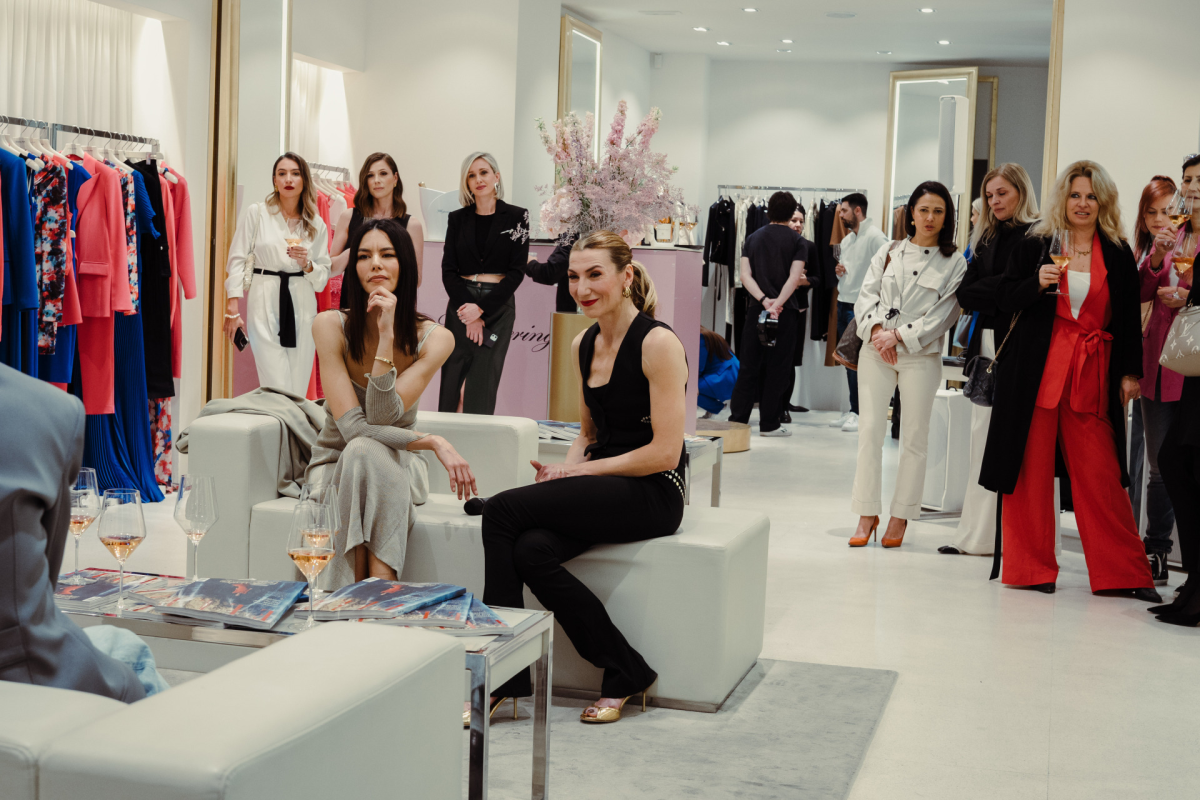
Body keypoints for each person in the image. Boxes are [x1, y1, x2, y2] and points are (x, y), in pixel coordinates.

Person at [480, 230, 688, 724]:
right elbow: (588, 434)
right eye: (574, 277)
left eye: (595, 274)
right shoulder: (582, 342)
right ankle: (626, 669)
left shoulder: (658, 343)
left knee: (502, 510)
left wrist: (575, 472)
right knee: (530, 550)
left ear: (626, 276)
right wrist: (566, 474)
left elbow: (665, 453)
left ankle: (500, 676)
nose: (582, 288)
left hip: (656, 491)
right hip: (603, 483)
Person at [979, 160, 1158, 600]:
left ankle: (1124, 574)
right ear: (1064, 198)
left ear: (1104, 202)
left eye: (1092, 196)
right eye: (1076, 195)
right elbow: (1001, 298)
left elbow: (1128, 321)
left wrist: (1130, 373)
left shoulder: (1116, 251)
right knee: (1029, 470)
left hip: (1091, 372)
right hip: (1035, 373)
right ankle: (1028, 568)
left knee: (1101, 475)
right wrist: (1034, 285)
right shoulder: (1035, 244)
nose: (1083, 203)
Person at [306, 218, 477, 590]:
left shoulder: (437, 338)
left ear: (406, 265)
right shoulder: (328, 326)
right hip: (335, 462)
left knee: (365, 452)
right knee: (360, 449)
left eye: (387, 254)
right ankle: (383, 587)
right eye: (363, 256)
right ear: (354, 269)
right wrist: (431, 441)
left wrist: (386, 335)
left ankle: (346, 593)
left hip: (400, 464)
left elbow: (382, 414)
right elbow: (353, 429)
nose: (375, 264)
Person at [0, 362, 145, 702]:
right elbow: (42, 592)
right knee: (133, 658)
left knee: (120, 640)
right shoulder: (42, 411)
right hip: (18, 673)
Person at [849, 181, 968, 548]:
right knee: (870, 431)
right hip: (876, 351)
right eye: (923, 210)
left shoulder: (955, 262)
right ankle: (866, 512)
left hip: (920, 355)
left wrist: (898, 336)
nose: (930, 217)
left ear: (947, 217)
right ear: (911, 214)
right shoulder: (888, 250)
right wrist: (878, 332)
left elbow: (945, 314)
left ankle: (901, 515)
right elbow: (865, 297)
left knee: (914, 438)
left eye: (938, 211)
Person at [939, 164, 1040, 556]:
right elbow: (966, 293)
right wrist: (1010, 289)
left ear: (1020, 191)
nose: (995, 202)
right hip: (988, 345)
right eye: (990, 195)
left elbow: (1030, 294)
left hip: (1023, 344)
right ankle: (978, 536)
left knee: (1022, 443)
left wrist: (1001, 289)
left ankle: (1016, 539)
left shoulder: (1038, 236)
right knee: (982, 437)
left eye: (1002, 193)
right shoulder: (986, 238)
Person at [224, 152, 332, 395]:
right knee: (275, 383)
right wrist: (233, 308)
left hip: (302, 300)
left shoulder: (316, 223)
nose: (288, 179)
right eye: (282, 174)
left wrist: (307, 264)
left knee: (298, 384)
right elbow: (237, 259)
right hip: (264, 293)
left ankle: (293, 422)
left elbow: (322, 278)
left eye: (295, 173)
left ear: (304, 179)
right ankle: (280, 418)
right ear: (274, 180)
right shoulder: (257, 213)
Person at [1135, 165, 1197, 585]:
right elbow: (1139, 291)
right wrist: (1157, 258)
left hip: (1194, 364)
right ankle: (1156, 549)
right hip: (1158, 361)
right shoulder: (1169, 235)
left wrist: (1187, 294)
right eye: (1188, 180)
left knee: (1188, 463)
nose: (1192, 188)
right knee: (1159, 465)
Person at [439, 152, 529, 414]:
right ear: (466, 183)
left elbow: (516, 272)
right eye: (471, 175)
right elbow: (448, 271)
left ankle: (475, 439)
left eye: (484, 172)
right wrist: (469, 312)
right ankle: (447, 437)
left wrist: (480, 311)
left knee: (481, 381)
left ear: (496, 177)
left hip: (497, 310)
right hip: (461, 307)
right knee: (454, 380)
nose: (478, 179)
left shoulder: (518, 217)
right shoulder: (457, 219)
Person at [727, 191, 811, 437]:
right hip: (786, 313)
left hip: (757, 310)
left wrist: (765, 301)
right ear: (791, 212)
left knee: (748, 366)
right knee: (778, 368)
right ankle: (769, 424)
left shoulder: (752, 238)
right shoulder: (798, 242)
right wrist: (777, 305)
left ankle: (737, 421)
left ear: (769, 211)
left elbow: (745, 276)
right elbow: (794, 279)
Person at [330, 153, 424, 306]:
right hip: (355, 303)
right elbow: (331, 269)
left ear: (395, 178)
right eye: (370, 175)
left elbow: (417, 279)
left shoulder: (411, 225)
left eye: (383, 173)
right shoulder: (349, 217)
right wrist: (355, 252)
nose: (377, 180)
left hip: (393, 305)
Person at [833, 192, 890, 433]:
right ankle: (853, 409)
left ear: (858, 210)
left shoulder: (876, 237)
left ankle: (859, 412)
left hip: (861, 308)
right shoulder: (847, 240)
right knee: (848, 360)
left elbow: (889, 269)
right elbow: (849, 271)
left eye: (844, 211)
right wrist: (840, 271)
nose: (841, 215)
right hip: (843, 302)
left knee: (858, 361)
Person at [781, 206, 813, 421]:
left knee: (791, 360)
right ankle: (772, 404)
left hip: (798, 309)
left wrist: (805, 280)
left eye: (801, 221)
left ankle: (784, 405)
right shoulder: (774, 244)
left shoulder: (809, 246)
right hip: (774, 308)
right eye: (794, 220)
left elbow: (819, 279)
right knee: (773, 359)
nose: (798, 225)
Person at [698, 326, 739, 418]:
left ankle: (718, 410)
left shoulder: (700, 338)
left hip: (726, 376)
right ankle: (714, 409)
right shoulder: (705, 334)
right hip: (729, 373)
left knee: (687, 388)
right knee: (690, 385)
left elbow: (698, 368)